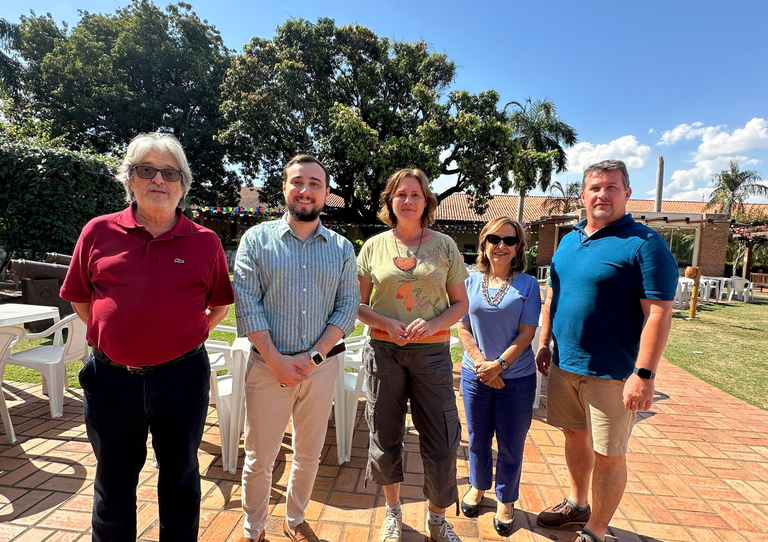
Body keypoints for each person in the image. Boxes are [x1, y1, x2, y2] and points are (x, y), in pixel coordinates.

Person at [60, 132, 234, 542]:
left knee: (181, 480)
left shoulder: (205, 242)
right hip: (111, 381)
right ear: (130, 180)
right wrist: (111, 335)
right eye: (146, 170)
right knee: (113, 485)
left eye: (169, 172)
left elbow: (219, 306)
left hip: (182, 379)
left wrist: (186, 338)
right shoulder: (98, 232)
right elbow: (81, 299)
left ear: (183, 185)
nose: (158, 179)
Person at [535, 160, 678, 542]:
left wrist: (644, 374)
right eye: (595, 188)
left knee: (610, 454)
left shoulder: (645, 244)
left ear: (627, 193)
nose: (602, 194)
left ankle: (596, 529)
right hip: (566, 365)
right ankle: (577, 503)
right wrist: (545, 342)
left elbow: (659, 313)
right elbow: (554, 296)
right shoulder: (568, 240)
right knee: (574, 436)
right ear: (582, 195)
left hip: (613, 371)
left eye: (612, 187)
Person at [233, 155, 359, 542]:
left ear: (326, 193)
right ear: (285, 187)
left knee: (308, 453)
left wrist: (313, 357)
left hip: (320, 371)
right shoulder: (256, 239)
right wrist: (276, 360)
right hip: (267, 368)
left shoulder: (341, 248)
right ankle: (253, 528)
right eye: (298, 182)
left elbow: (348, 305)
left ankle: (295, 518)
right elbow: (247, 301)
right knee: (259, 457)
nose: (306, 191)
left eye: (315, 184)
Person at [357, 168, 469, 542]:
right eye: (400, 194)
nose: (408, 200)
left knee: (441, 438)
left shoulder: (445, 246)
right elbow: (355, 304)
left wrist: (434, 322)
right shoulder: (373, 246)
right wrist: (386, 322)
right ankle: (393, 512)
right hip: (383, 353)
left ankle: (437, 519)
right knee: (385, 436)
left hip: (432, 355)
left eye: (415, 195)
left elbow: (460, 305)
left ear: (427, 202)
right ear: (390, 200)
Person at [456, 217, 541, 536]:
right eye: (494, 239)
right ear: (484, 243)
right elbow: (462, 324)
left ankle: (506, 499)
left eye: (509, 240)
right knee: (478, 438)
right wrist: (481, 363)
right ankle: (478, 487)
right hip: (474, 374)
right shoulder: (468, 281)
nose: (501, 245)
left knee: (511, 443)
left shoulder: (529, 285)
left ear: (518, 246)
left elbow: (527, 333)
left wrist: (499, 366)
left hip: (515, 378)